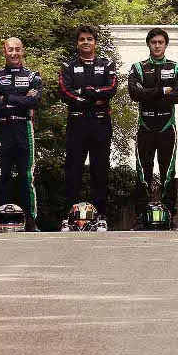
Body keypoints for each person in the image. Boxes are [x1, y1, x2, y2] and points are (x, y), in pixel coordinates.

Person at [128, 27, 178, 225]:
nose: (157, 46)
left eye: (161, 42)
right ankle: (140, 217)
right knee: (143, 171)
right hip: (145, 125)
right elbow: (134, 94)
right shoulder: (138, 67)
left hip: (167, 126)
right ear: (148, 44)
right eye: (154, 42)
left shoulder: (176, 67)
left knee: (168, 172)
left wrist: (148, 92)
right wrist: (162, 91)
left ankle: (170, 216)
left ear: (166, 45)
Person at [59, 25, 119, 215]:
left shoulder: (107, 64)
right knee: (73, 169)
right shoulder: (67, 66)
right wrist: (92, 97)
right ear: (77, 43)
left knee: (100, 169)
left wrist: (86, 92)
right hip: (77, 123)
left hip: (101, 123)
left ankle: (100, 216)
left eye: (89, 39)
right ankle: (69, 215)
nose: (85, 42)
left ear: (95, 42)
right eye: (82, 39)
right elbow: (65, 92)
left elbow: (111, 89)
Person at [0, 37, 43, 231]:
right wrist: (21, 99)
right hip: (3, 129)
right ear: (4, 51)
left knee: (26, 177)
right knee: (1, 175)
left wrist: (8, 98)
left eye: (17, 49)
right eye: (10, 49)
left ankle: (31, 221)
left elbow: (35, 102)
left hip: (23, 129)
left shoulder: (32, 76)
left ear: (23, 51)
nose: (14, 53)